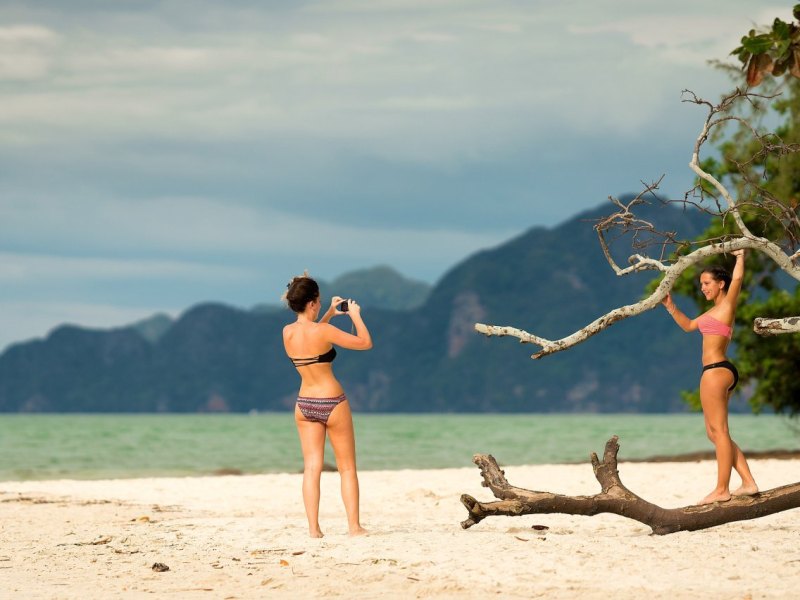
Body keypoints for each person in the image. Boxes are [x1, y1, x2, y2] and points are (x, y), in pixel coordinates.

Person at [661, 249, 759, 505]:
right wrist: (671, 306)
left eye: (706, 283)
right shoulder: (709, 314)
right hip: (719, 370)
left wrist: (740, 256)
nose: (702, 288)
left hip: (716, 370)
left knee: (720, 431)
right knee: (714, 433)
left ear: (720, 284)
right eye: (701, 284)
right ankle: (748, 482)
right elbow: (689, 326)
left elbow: (738, 280)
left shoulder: (726, 304)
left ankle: (721, 489)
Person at [282, 273, 372, 537]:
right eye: (319, 302)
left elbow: (313, 337)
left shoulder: (287, 332)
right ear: (311, 302)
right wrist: (354, 314)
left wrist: (331, 312)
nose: (320, 305)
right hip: (331, 401)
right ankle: (354, 527)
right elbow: (365, 343)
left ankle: (314, 529)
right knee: (347, 468)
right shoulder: (323, 331)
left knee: (311, 468)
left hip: (304, 404)